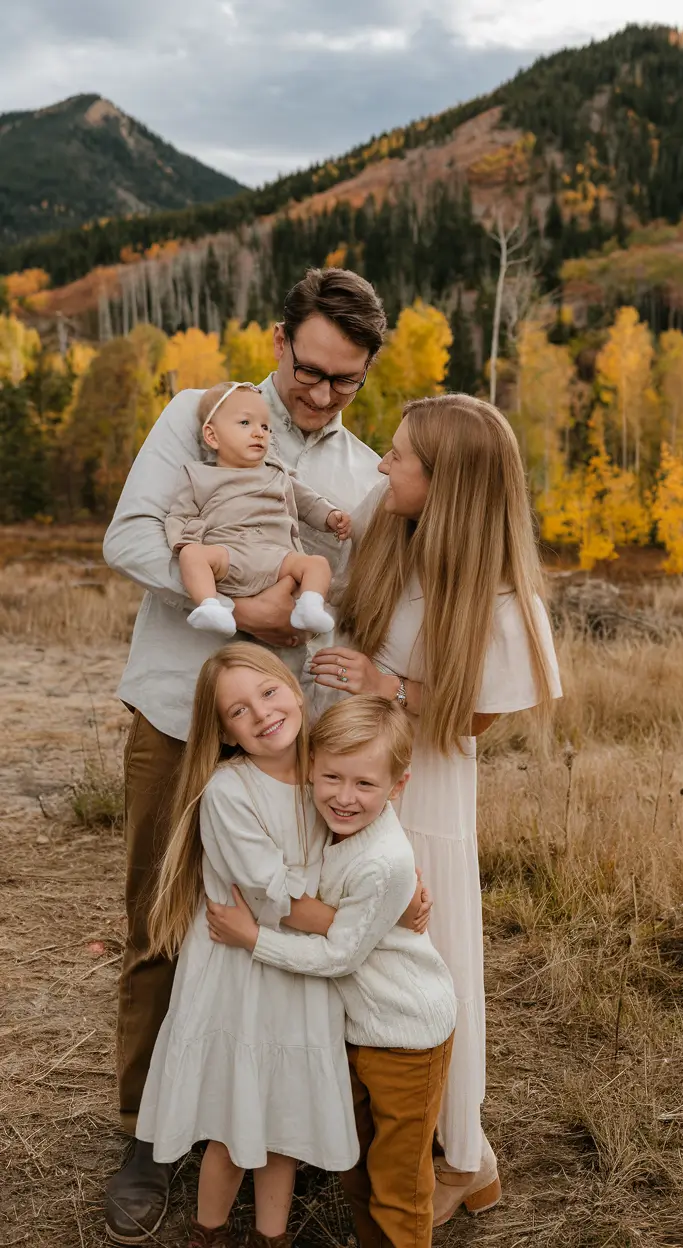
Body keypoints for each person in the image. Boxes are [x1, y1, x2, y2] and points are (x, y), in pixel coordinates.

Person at [102, 268, 387, 1243]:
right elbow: (133, 535)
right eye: (310, 370)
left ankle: (272, 1127)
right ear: (278, 342)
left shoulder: (362, 474)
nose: (320, 394)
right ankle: (146, 1135)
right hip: (176, 719)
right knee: (159, 919)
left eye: (344, 381)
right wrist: (237, 610)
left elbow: (349, 605)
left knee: (273, 928)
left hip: (284, 746)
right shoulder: (198, 414)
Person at [308, 394, 563, 1226]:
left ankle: (462, 1154)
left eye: (400, 456)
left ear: (445, 482)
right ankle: (374, 1132)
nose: (383, 465)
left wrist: (391, 688)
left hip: (429, 781)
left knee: (430, 957)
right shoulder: (393, 521)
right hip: (356, 767)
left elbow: (480, 715)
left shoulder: (494, 595)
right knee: (352, 936)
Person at [206, 695, 457, 1248]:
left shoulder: (380, 859)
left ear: (398, 787)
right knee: (356, 1165)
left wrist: (254, 939)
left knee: (399, 1180)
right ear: (310, 770)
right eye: (331, 778)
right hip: (356, 1028)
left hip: (406, 1033)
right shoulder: (332, 825)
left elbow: (339, 956)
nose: (344, 797)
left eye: (365, 785)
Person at [135, 641, 359, 1248]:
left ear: (293, 687)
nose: (261, 714)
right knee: (233, 1129)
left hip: (297, 974)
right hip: (240, 980)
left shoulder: (327, 771)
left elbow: (369, 838)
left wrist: (397, 893)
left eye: (267, 692)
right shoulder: (229, 792)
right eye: (238, 711)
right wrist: (364, 923)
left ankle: (271, 1237)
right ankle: (207, 1232)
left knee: (281, 1127)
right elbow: (273, 896)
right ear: (226, 733)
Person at [166, 380, 352, 638]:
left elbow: (306, 500)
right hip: (230, 554)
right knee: (191, 556)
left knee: (317, 564)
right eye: (245, 423)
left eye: (265, 426)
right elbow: (180, 514)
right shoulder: (197, 475)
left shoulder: (274, 470)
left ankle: (309, 605)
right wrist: (185, 542)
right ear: (212, 436)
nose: (259, 433)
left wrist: (330, 515)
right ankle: (210, 605)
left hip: (276, 557)